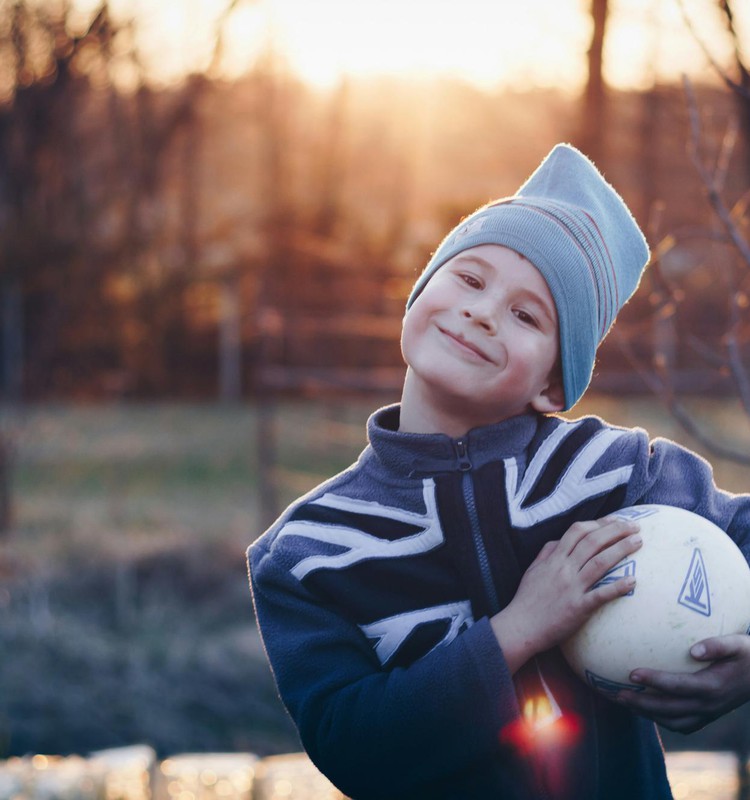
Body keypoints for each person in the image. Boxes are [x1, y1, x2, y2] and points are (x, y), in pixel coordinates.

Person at [247, 143, 750, 800]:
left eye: (526, 315)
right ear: (420, 292)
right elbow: (355, 747)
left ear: (551, 382)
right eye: (470, 279)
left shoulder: (616, 475)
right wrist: (517, 630)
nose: (482, 312)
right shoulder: (308, 552)